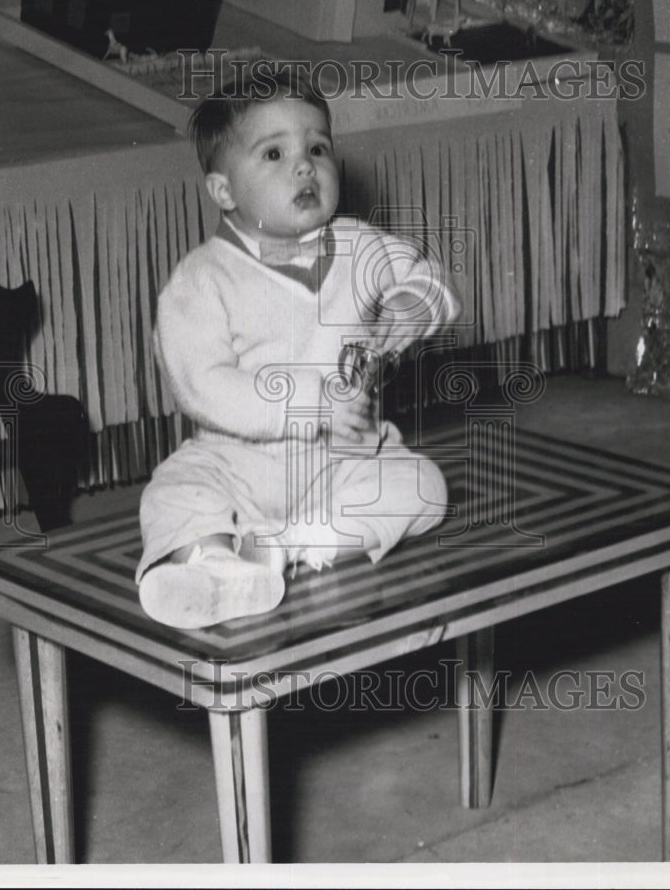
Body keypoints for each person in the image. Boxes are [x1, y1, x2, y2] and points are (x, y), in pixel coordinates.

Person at [137, 69, 461, 630]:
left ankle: (289, 548)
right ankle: (209, 561)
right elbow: (202, 382)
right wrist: (309, 402)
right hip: (235, 467)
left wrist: (416, 302)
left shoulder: (360, 247)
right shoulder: (201, 279)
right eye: (273, 154)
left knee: (423, 487)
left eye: (317, 147)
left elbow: (432, 278)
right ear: (224, 191)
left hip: (343, 462)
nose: (304, 166)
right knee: (172, 493)